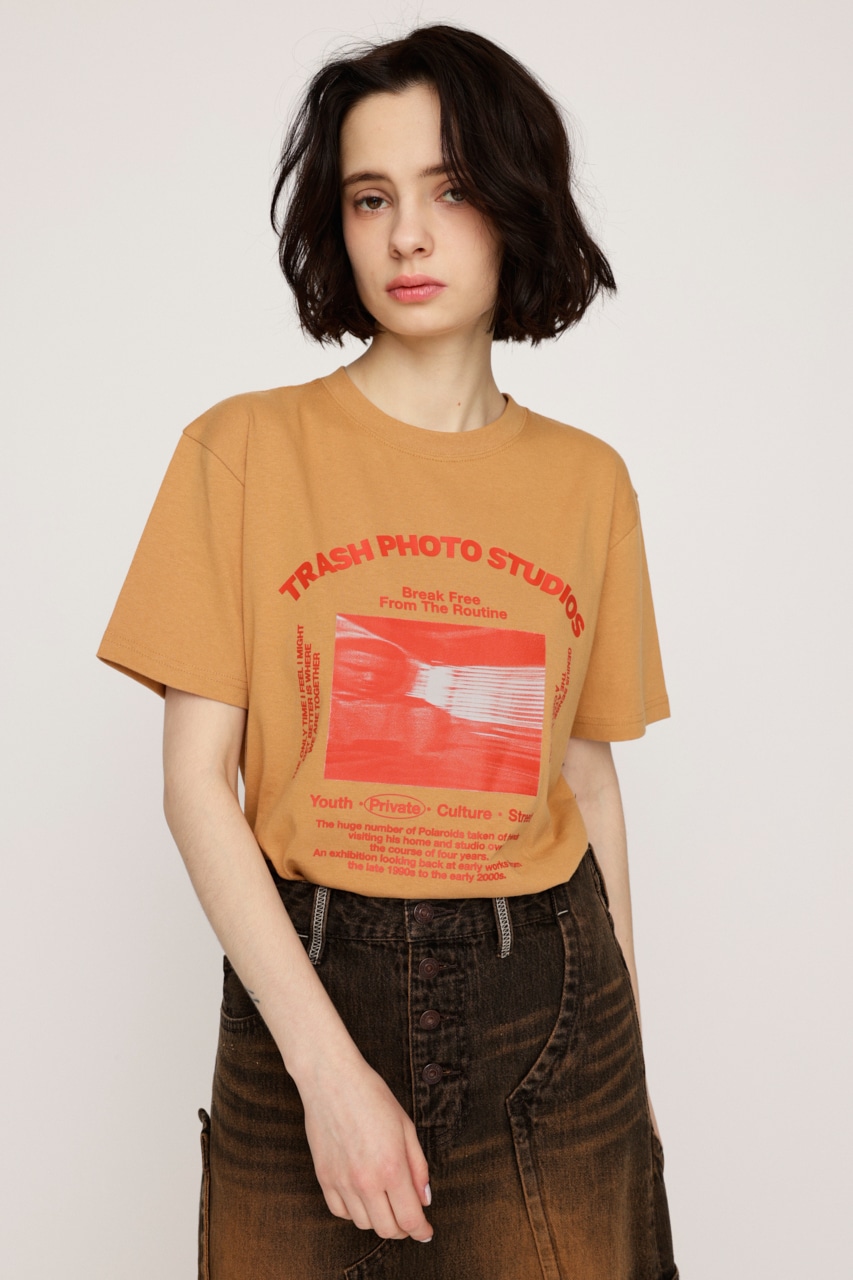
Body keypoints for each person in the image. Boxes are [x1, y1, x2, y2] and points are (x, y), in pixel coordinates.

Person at [98, 23, 678, 1280]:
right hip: (306, 982)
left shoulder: (589, 482)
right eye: (371, 198)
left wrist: (624, 1066)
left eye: (449, 189)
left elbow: (585, 776)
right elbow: (196, 781)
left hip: (551, 999)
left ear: (514, 204)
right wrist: (326, 1069)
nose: (407, 235)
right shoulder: (240, 450)